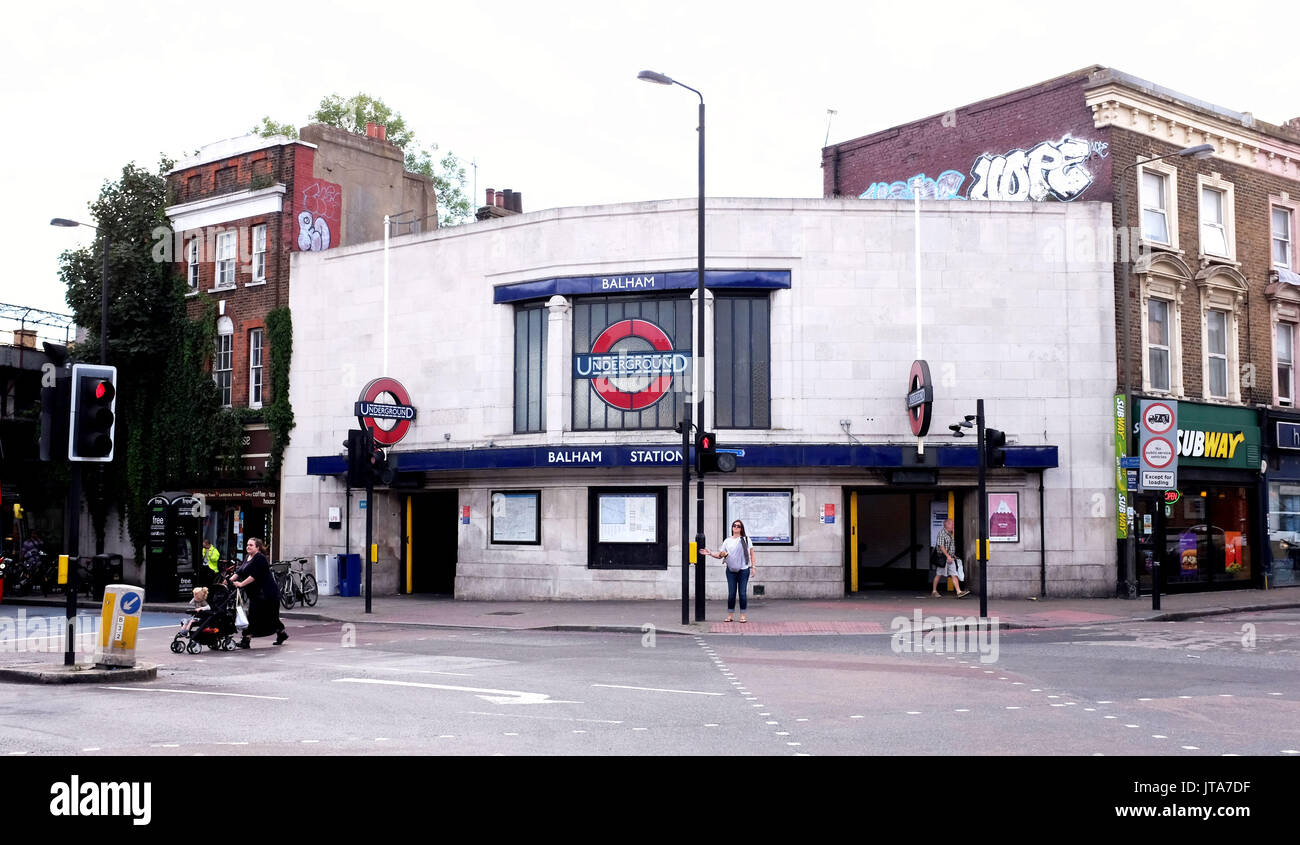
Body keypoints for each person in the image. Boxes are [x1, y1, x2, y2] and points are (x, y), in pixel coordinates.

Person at [227, 538, 287, 648]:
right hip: (256, 593)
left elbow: (254, 576)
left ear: (257, 548)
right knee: (269, 616)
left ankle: (246, 640)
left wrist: (241, 584)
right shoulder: (248, 557)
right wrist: (228, 581)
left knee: (257, 616)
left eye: (251, 545)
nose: (248, 547)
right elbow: (240, 571)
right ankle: (281, 633)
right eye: (247, 545)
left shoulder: (260, 558)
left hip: (266, 593)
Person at [701, 519, 757, 623]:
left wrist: (753, 567)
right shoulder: (727, 541)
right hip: (731, 570)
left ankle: (743, 615)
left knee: (742, 593)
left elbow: (752, 554)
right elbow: (720, 554)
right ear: (732, 528)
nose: (736, 527)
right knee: (731, 593)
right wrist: (710, 553)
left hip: (743, 570)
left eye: (738, 526)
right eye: (734, 525)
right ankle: (730, 615)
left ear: (741, 529)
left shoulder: (745, 540)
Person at [932, 518, 970, 598]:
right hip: (943, 558)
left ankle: (959, 592)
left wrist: (953, 556)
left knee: (954, 574)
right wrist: (948, 556)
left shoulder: (950, 533)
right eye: (952, 524)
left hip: (950, 558)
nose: (953, 526)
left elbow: (950, 546)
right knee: (939, 574)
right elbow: (941, 547)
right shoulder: (942, 534)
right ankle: (934, 591)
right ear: (947, 525)